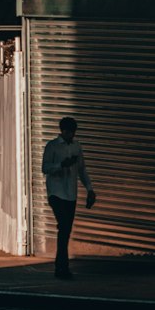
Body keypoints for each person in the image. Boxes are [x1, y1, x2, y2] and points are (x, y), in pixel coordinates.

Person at [41, 115, 97, 279]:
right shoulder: (52, 146)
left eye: (73, 133)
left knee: (65, 230)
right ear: (62, 131)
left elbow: (82, 170)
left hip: (71, 194)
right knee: (64, 227)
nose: (71, 135)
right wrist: (61, 165)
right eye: (68, 132)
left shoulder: (76, 147)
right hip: (56, 193)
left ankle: (61, 266)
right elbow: (45, 168)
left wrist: (90, 189)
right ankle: (61, 267)